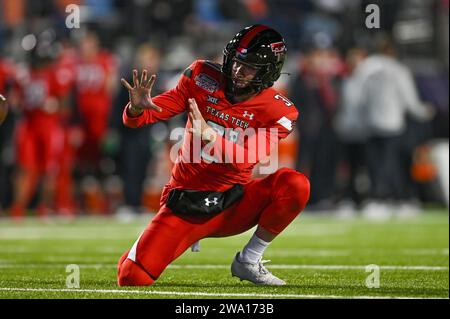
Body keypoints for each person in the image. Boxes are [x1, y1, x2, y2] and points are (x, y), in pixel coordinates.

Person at [117, 25, 310, 286]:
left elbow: (247, 158)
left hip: (233, 203)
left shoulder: (278, 110)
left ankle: (249, 260)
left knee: (295, 184)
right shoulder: (202, 76)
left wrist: (208, 134)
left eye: (249, 67)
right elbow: (144, 117)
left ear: (268, 72)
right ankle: (147, 248)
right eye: (237, 62)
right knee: (132, 277)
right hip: (187, 200)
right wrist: (136, 109)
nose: (239, 72)